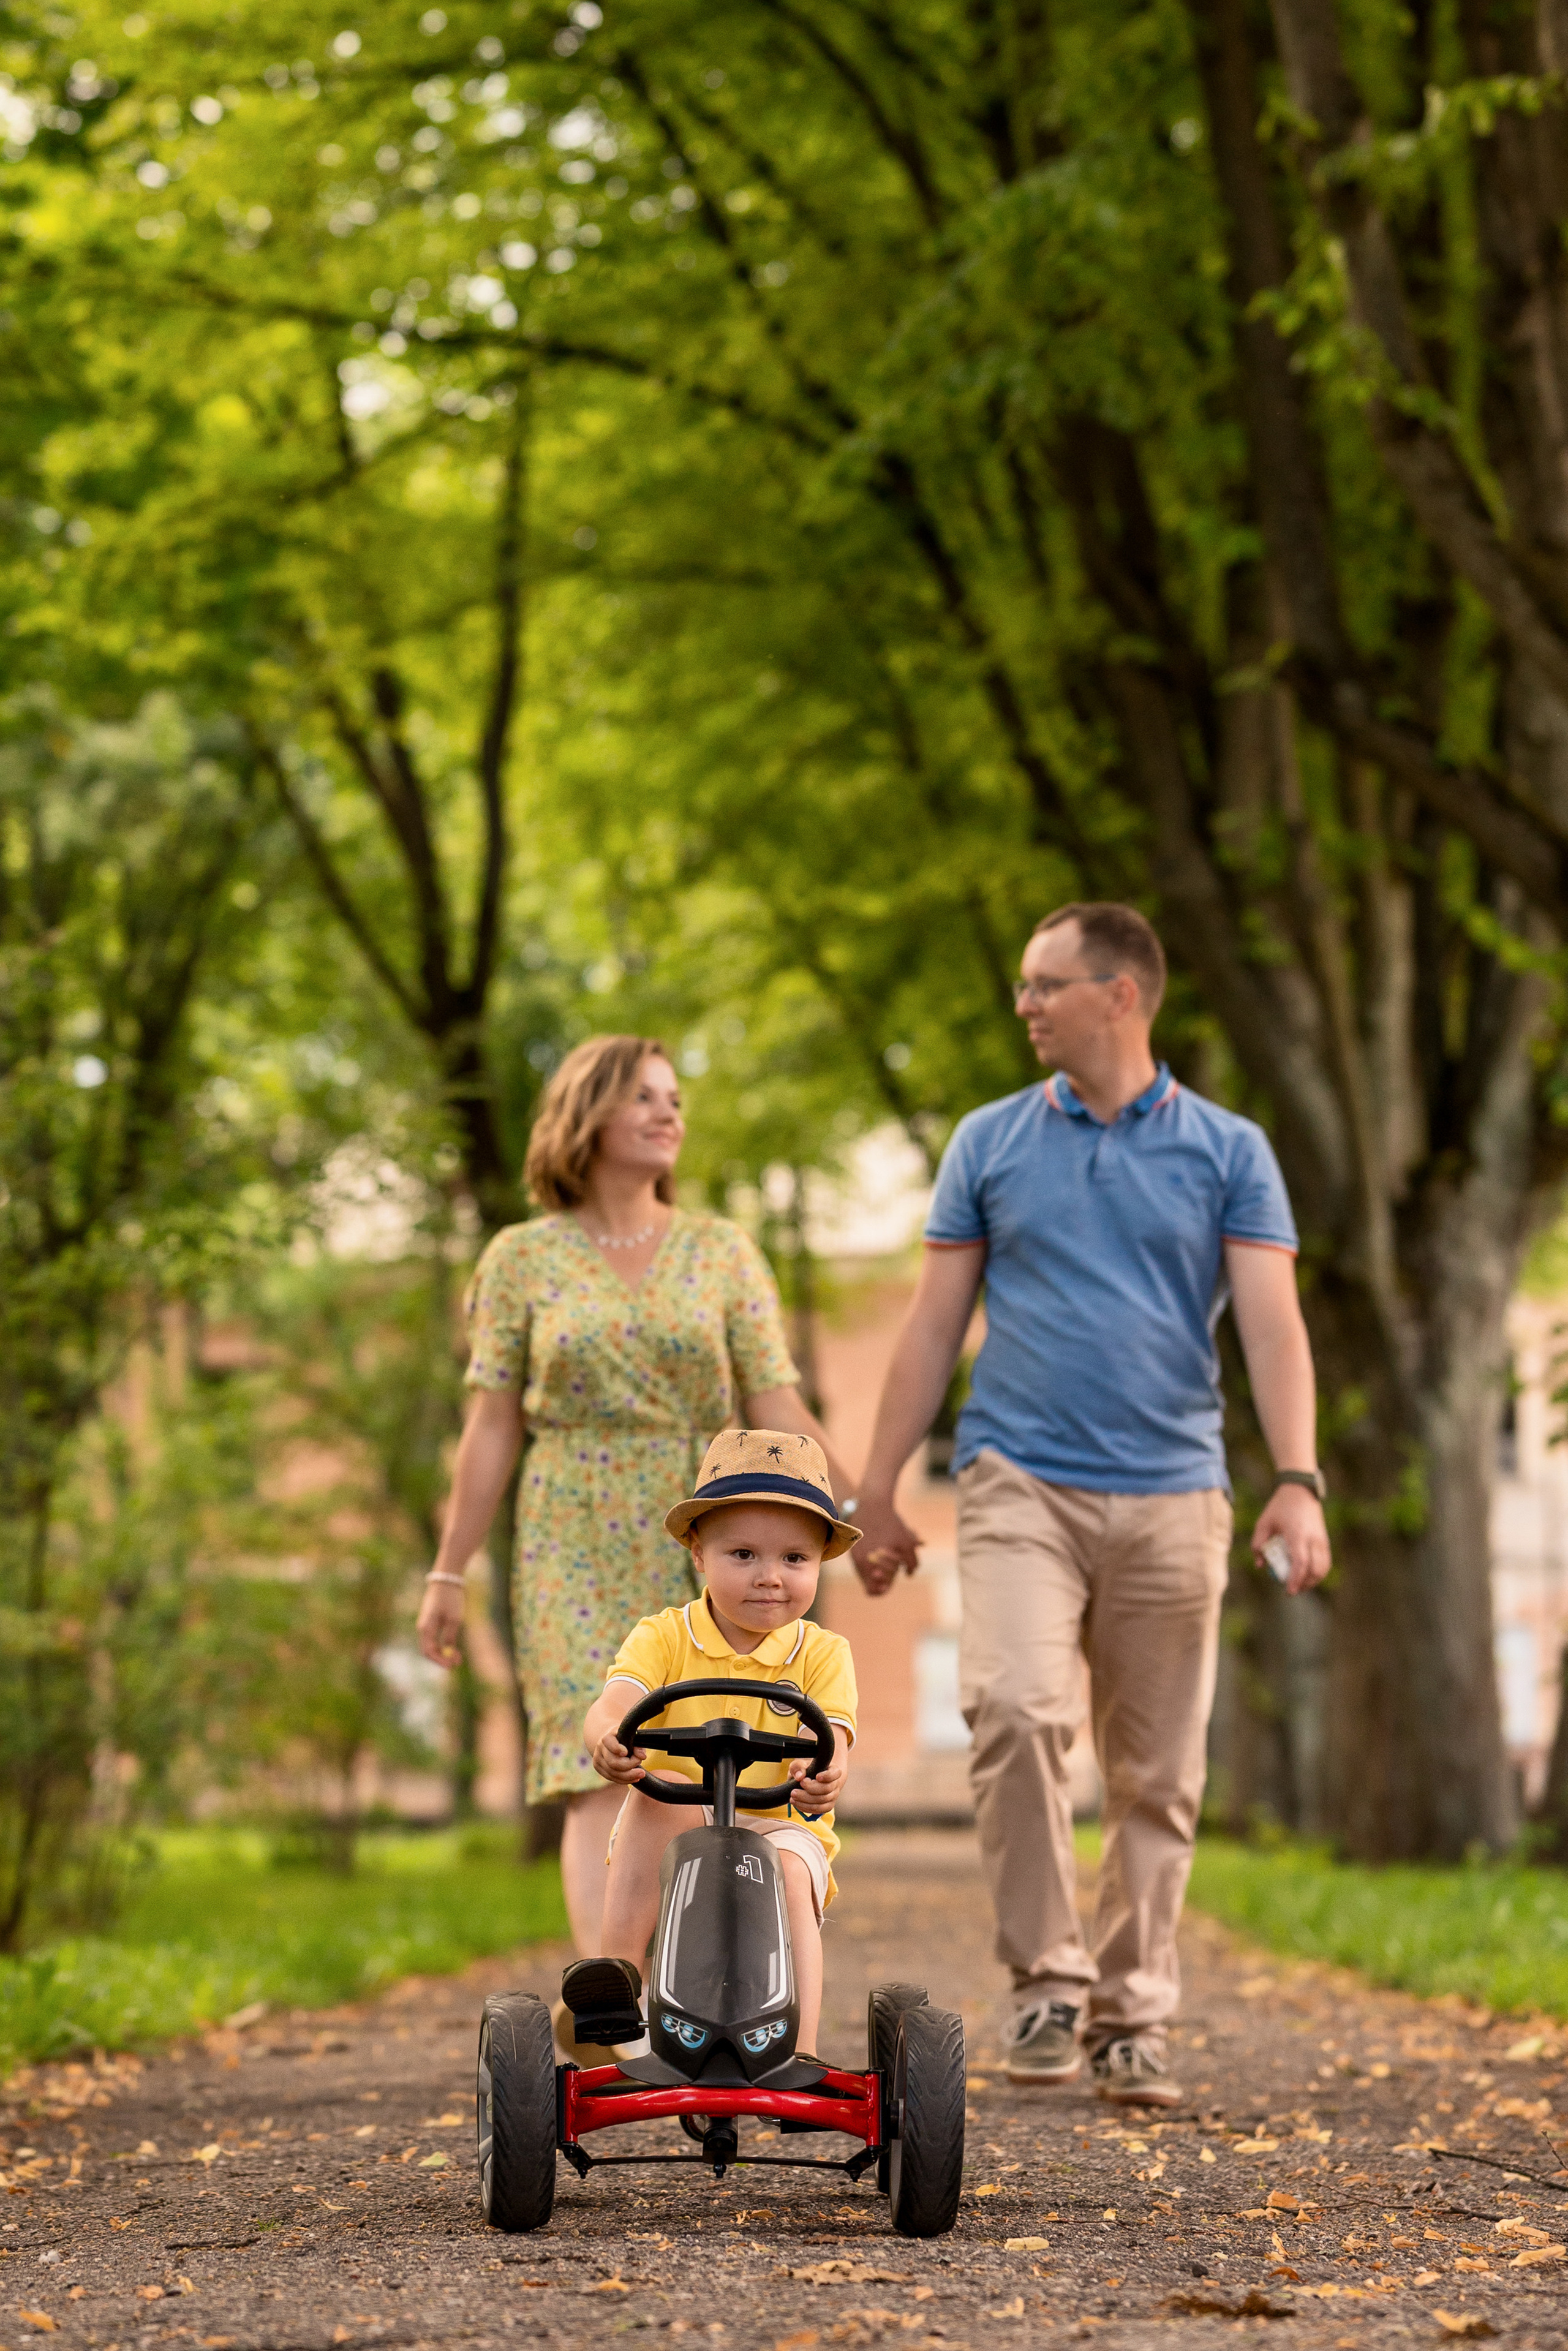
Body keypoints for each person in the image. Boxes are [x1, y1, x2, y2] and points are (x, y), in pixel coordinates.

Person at [848, 904, 1330, 2108]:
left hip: (1175, 1488)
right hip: (1018, 1478)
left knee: (1156, 1772)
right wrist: (877, 1484)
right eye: (1020, 984)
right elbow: (930, 1324)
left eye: (1044, 984)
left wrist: (1297, 1475)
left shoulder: (1228, 1149)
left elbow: (1271, 1323)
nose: (1023, 1004)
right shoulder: (989, 1140)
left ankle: (1131, 2012)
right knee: (1009, 1703)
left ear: (1120, 994)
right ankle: (1046, 1981)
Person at [415, 1036, 849, 2032]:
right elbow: (491, 1425)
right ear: (587, 1113)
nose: (669, 1113)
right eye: (645, 1096)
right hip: (569, 1519)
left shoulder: (723, 1249)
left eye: (677, 1098)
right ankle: (613, 2002)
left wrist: (852, 1507)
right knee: (595, 1765)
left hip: (714, 1513)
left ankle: (713, 1991)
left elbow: (776, 1397)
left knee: (710, 1758)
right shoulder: (520, 1257)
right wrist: (449, 1566)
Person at [565, 1429, 858, 2061]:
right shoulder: (664, 1637)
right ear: (699, 1552)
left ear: (818, 1562)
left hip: (780, 1820)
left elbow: (832, 1734)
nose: (770, 1578)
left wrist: (824, 1767)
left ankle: (797, 2051)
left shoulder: (824, 1653)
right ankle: (617, 1979)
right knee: (654, 1801)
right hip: (683, 1809)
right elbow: (615, 1702)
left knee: (787, 1869)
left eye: (794, 1560)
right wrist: (608, 1739)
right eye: (744, 1554)